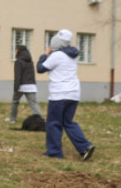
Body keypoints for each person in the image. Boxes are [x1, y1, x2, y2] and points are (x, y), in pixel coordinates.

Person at [36, 29, 95, 161]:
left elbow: (40, 68)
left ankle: (54, 151)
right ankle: (85, 146)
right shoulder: (73, 55)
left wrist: (45, 55)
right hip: (73, 94)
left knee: (53, 123)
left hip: (59, 94)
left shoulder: (57, 55)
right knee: (68, 122)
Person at [6, 45, 42, 124]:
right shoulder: (30, 61)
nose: (15, 51)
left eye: (16, 50)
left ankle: (12, 118)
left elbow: (18, 75)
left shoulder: (18, 61)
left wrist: (16, 87)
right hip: (31, 86)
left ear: (18, 51)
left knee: (15, 102)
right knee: (33, 103)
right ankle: (40, 119)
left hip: (21, 86)